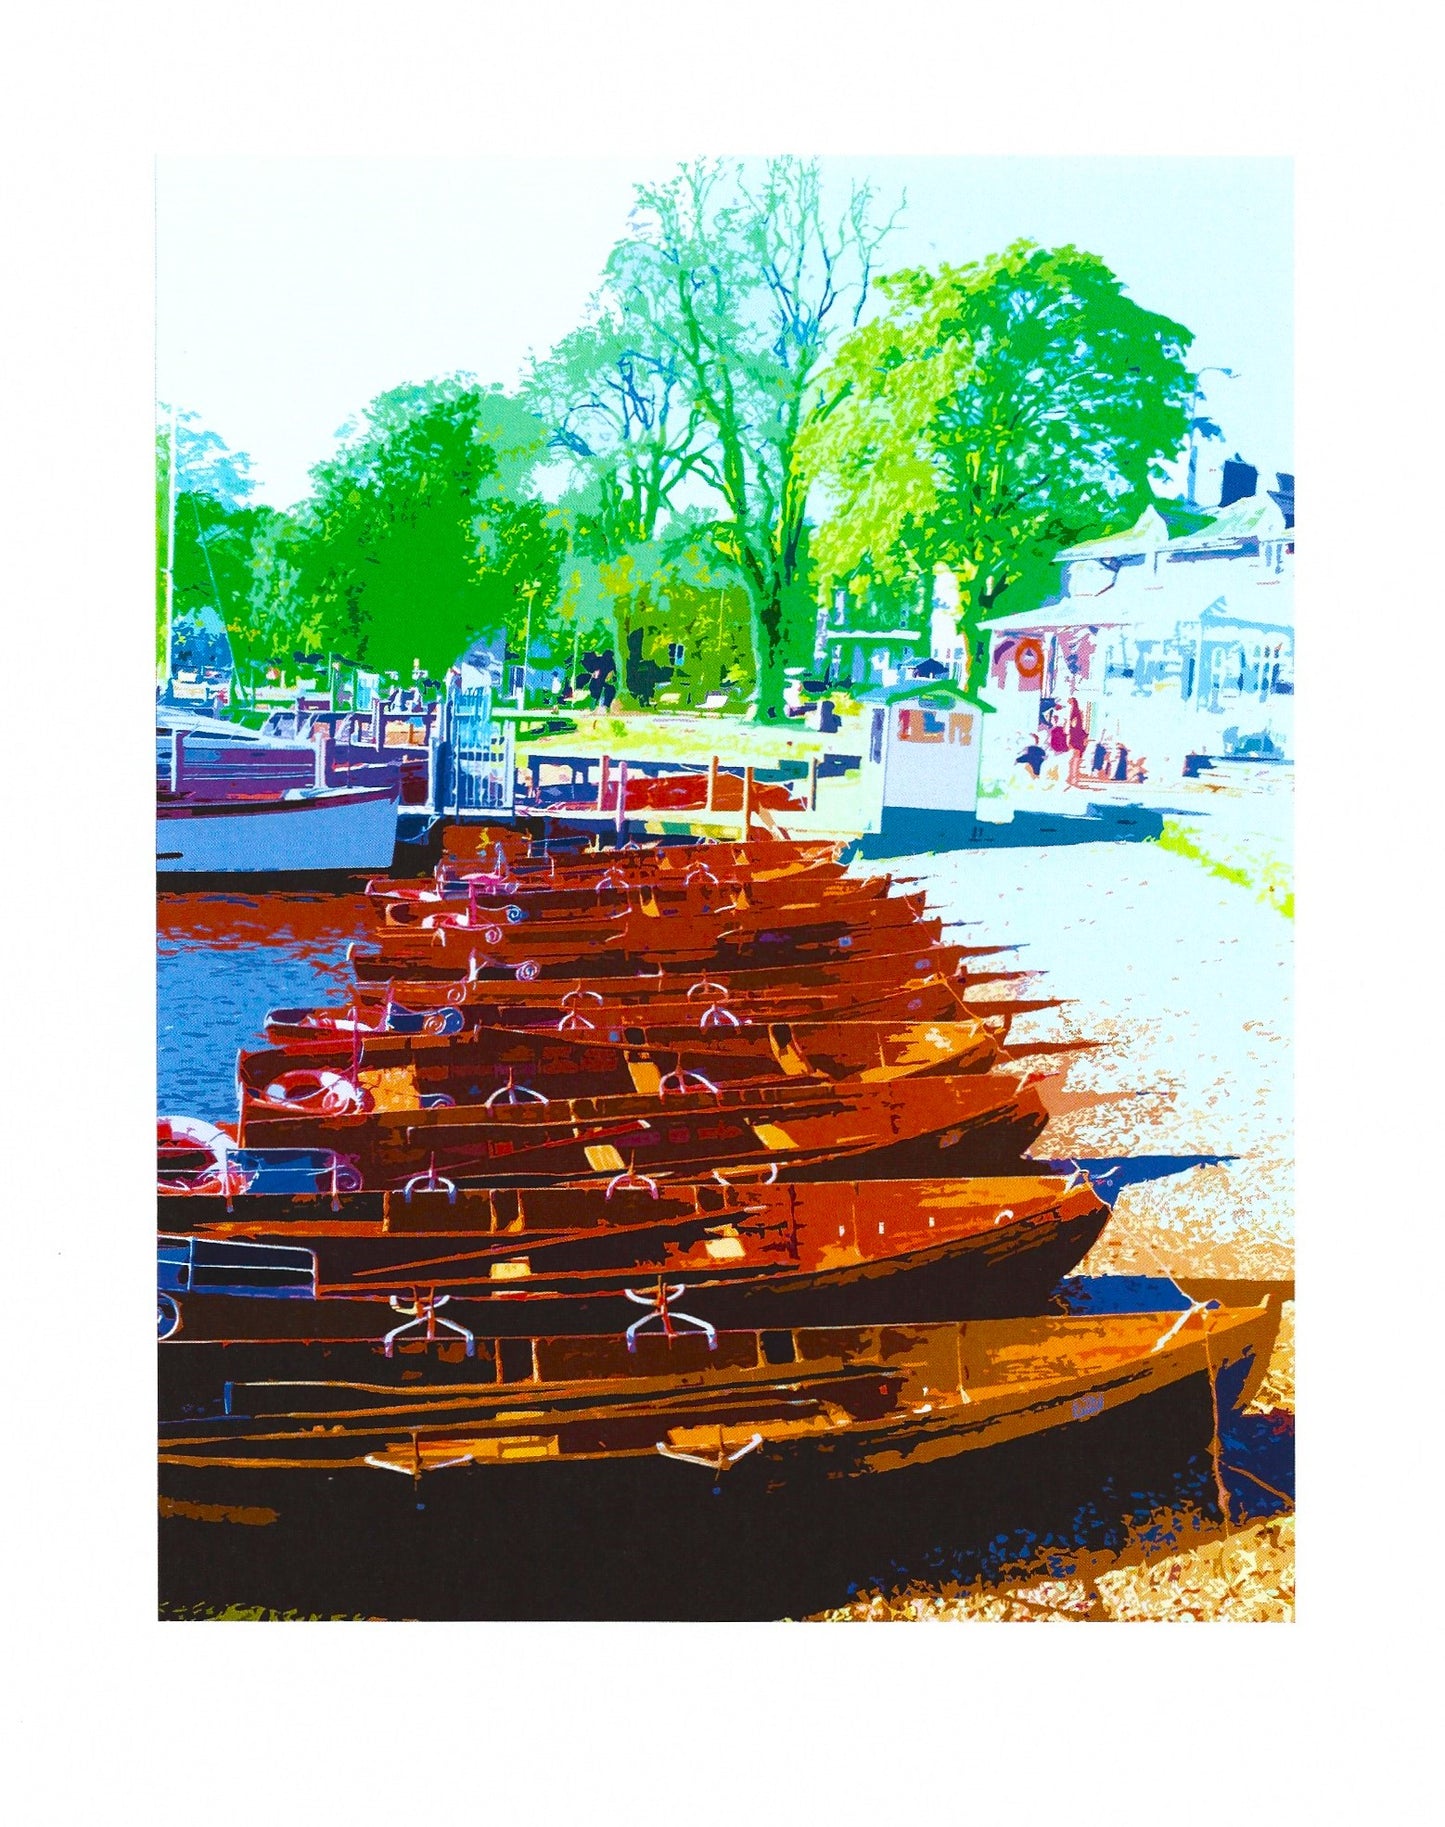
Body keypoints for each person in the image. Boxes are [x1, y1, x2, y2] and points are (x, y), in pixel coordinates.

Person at [1066, 697, 1089, 786]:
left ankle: (1073, 779)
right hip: (1077, 738)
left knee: (1075, 759)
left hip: (1076, 739)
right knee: (1075, 759)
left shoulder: (1075, 714)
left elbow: (1074, 725)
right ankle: (1073, 779)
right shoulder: (1076, 713)